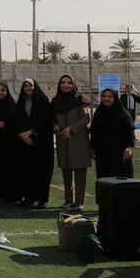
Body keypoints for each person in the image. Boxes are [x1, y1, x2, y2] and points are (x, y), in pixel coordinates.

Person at [51, 75, 91, 210]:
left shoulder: (81, 99)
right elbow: (51, 118)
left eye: (69, 82)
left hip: (78, 140)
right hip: (62, 140)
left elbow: (86, 118)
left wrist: (71, 129)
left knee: (80, 171)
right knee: (66, 170)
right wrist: (55, 126)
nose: (66, 85)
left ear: (73, 84)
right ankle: (68, 201)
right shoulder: (55, 101)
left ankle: (79, 202)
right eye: (63, 82)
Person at [12, 79, 54, 208]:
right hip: (25, 143)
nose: (28, 88)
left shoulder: (43, 102)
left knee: (41, 170)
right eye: (25, 86)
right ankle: (28, 197)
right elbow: (16, 121)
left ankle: (42, 199)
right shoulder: (21, 102)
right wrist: (22, 135)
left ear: (35, 87)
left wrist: (31, 132)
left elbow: (46, 122)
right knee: (26, 170)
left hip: (41, 143)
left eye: (30, 85)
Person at [90, 88, 135, 179]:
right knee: (104, 179)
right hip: (102, 154)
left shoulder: (123, 114)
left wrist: (128, 148)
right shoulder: (98, 112)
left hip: (120, 154)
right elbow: (94, 131)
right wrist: (93, 148)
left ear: (115, 98)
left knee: (121, 179)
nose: (106, 99)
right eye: (104, 96)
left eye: (110, 97)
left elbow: (129, 133)